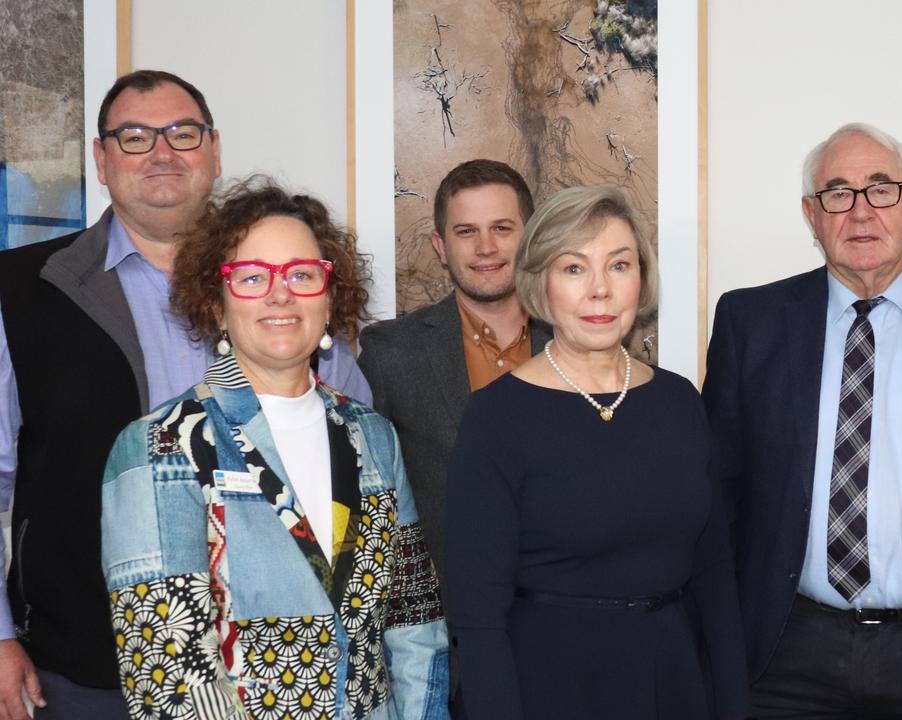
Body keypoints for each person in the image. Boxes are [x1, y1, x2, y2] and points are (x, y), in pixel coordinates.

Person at [0, 70, 369, 720]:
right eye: (135, 136)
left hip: (275, 664)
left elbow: (359, 475)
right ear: (101, 158)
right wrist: (0, 635)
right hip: (86, 669)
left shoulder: (285, 291)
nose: (162, 152)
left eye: (183, 133)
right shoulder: (23, 293)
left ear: (215, 150)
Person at [702, 122, 902, 718]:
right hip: (783, 655)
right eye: (837, 193)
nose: (860, 212)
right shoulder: (749, 323)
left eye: (881, 189)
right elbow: (717, 494)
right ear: (812, 213)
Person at [100, 180, 448, 719]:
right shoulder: (159, 446)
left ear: (330, 300)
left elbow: (414, 622)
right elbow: (168, 677)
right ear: (215, 305)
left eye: (302, 275)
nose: (279, 294)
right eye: (252, 277)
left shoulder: (374, 438)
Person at [445, 185, 749, 719]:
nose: (600, 291)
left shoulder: (679, 401)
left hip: (674, 679)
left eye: (619, 265)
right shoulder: (496, 418)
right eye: (574, 268)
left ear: (641, 280)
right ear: (541, 283)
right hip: (551, 684)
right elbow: (477, 614)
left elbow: (715, 573)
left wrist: (733, 705)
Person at [359, 159, 549, 590]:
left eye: (502, 228)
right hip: (446, 628)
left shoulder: (577, 343)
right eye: (466, 232)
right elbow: (374, 506)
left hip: (566, 615)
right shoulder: (391, 354)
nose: (486, 248)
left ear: (532, 238)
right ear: (441, 246)